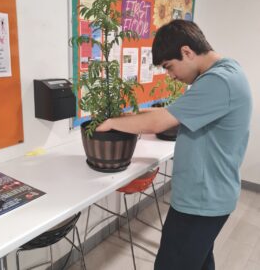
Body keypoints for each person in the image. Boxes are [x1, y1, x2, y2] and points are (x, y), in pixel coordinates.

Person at [96, 19, 252, 270]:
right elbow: (176, 117)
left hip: (201, 202)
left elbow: (160, 121)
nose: (171, 75)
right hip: (210, 196)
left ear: (187, 52)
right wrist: (129, 119)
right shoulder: (225, 72)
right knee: (200, 262)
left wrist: (113, 122)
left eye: (169, 67)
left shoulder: (219, 81)